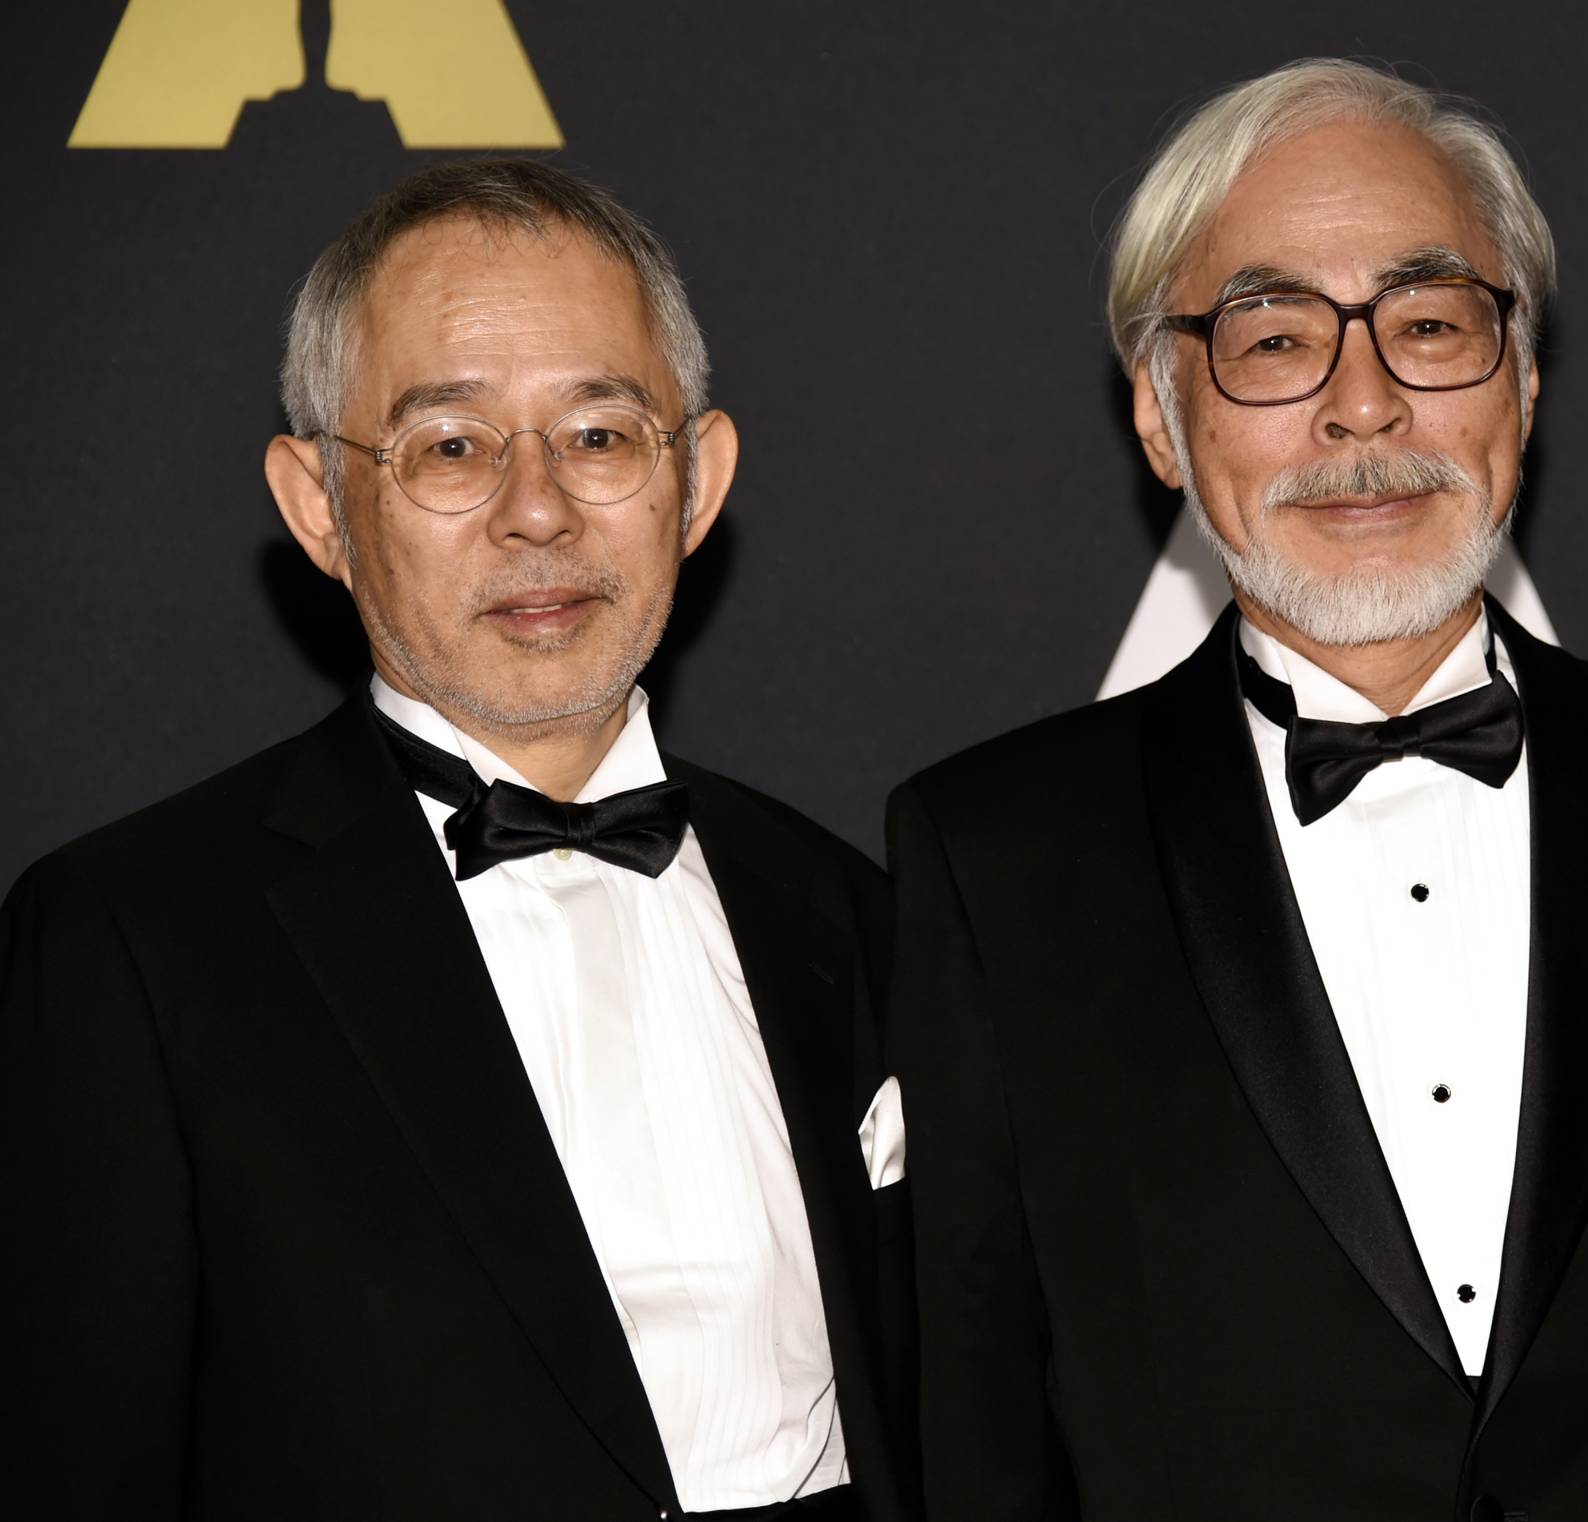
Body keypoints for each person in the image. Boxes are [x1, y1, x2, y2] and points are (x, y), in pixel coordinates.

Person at [888, 59, 1588, 1521]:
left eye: (1431, 325)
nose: (1364, 405)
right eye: (1275, 337)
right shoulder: (987, 859)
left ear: (1527, 376)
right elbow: (978, 1438)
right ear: (1164, 417)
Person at [1, 160, 915, 1522]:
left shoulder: (846, 909)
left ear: (698, 479)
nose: (536, 509)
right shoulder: (128, 943)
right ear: (320, 506)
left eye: (600, 436)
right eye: (451, 446)